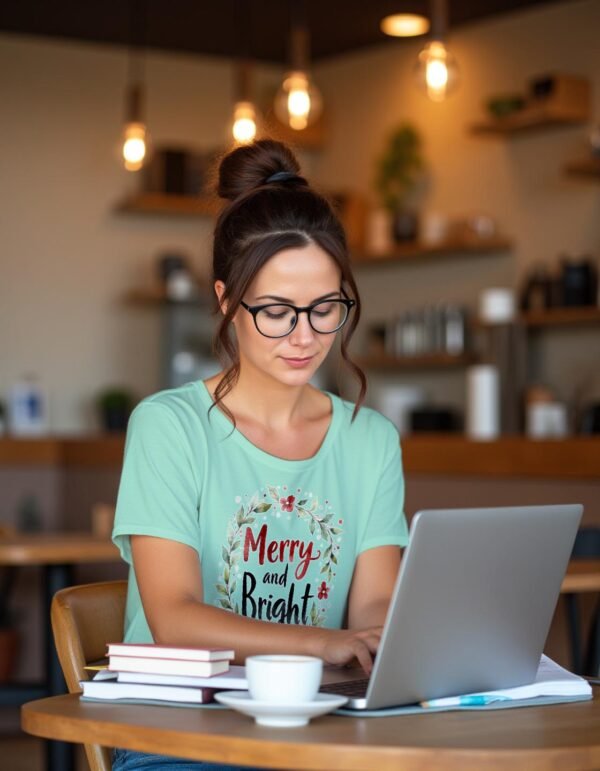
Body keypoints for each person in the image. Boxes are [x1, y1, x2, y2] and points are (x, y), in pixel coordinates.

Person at [111, 139, 409, 771]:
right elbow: (175, 619)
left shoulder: (371, 439)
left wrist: (382, 637)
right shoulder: (168, 427)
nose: (305, 337)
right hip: (181, 733)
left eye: (326, 309)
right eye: (276, 311)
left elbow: (375, 606)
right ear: (226, 299)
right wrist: (325, 644)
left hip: (320, 729)